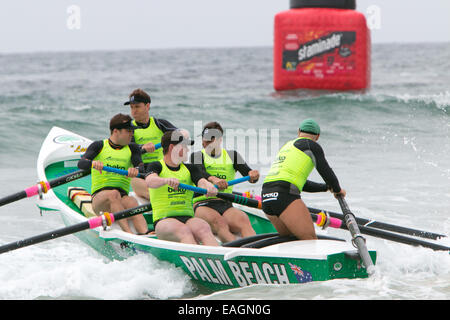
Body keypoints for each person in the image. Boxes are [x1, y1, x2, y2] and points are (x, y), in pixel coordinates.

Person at [261, 119, 346, 240]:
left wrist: (326, 188)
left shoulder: (287, 146)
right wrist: (337, 189)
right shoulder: (311, 145)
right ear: (317, 136)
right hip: (284, 196)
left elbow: (301, 184)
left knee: (290, 241)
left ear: (299, 131)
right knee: (310, 240)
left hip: (266, 195)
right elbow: (326, 171)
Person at [142, 129, 220, 246]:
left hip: (187, 218)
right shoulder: (156, 165)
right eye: (184, 146)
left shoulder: (190, 168)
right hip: (164, 221)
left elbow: (202, 181)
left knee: (203, 227)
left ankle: (218, 258)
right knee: (184, 231)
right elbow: (150, 181)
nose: (188, 150)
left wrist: (210, 187)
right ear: (173, 148)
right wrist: (165, 181)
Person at [77, 113, 149, 234]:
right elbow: (81, 163)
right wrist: (93, 164)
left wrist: (135, 170)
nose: (132, 134)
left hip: (122, 198)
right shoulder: (99, 146)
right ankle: (128, 234)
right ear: (116, 131)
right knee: (113, 194)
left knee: (131, 201)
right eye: (128, 131)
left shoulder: (133, 148)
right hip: (100, 200)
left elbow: (141, 168)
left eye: (132, 131)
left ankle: (145, 233)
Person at [190, 122, 260, 243]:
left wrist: (254, 175)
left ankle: (256, 253)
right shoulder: (196, 156)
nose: (206, 144)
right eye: (205, 141)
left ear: (219, 140)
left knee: (243, 219)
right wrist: (215, 180)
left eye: (211, 141)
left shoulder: (232, 156)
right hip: (201, 203)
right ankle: (238, 253)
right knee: (220, 223)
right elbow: (200, 173)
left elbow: (250, 176)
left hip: (225, 203)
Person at [124, 88, 177, 200]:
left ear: (147, 106)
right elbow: (127, 148)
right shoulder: (129, 128)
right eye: (132, 107)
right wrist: (142, 147)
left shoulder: (160, 124)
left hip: (161, 170)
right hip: (140, 173)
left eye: (137, 106)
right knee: (155, 194)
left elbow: (180, 137)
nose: (134, 111)